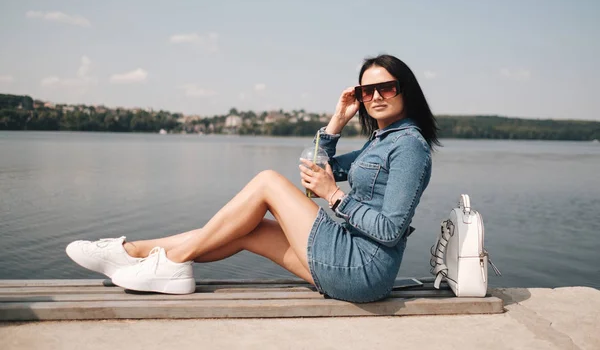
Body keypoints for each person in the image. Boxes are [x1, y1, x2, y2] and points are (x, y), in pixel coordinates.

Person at [66, 54, 439, 303]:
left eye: (385, 88)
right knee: (250, 228)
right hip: (349, 255)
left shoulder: (409, 146)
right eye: (365, 90)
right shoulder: (381, 141)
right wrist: (336, 122)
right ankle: (130, 253)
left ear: (405, 90)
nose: (374, 96)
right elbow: (312, 172)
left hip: (363, 268)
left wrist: (336, 197)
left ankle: (169, 261)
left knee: (267, 182)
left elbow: (390, 230)